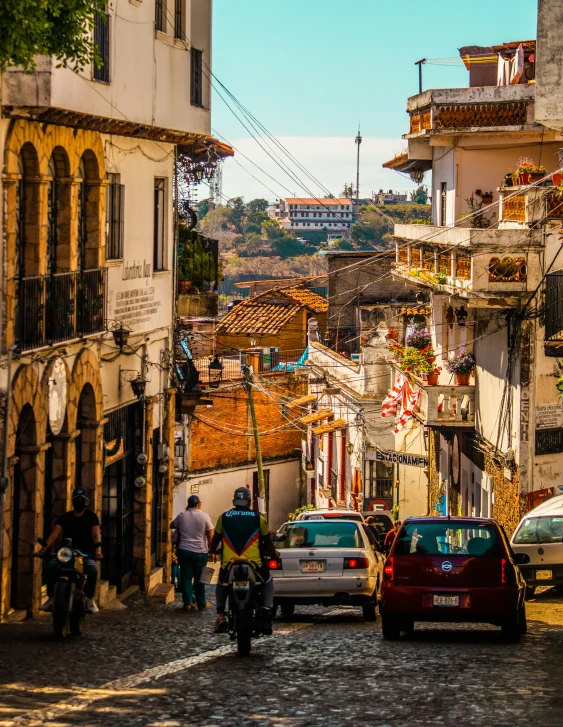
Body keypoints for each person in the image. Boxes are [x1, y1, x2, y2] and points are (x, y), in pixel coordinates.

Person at [209, 487, 278, 635]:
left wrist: (212, 551)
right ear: (249, 501)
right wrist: (275, 554)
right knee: (268, 581)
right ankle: (266, 607)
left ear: (234, 501)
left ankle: (221, 615)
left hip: (229, 564)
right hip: (254, 565)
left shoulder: (224, 517)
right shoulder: (258, 518)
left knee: (221, 583)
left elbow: (215, 540)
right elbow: (268, 543)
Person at [38, 487, 102, 613]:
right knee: (51, 566)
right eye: (76, 499)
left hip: (84, 554)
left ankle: (90, 599)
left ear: (86, 502)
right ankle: (51, 598)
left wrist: (98, 551)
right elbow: (54, 534)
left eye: (81, 499)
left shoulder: (91, 517)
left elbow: (96, 534)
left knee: (93, 570)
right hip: (66, 553)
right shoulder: (65, 517)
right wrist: (44, 548)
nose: (78, 501)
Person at [170, 495, 215, 612]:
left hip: (184, 551)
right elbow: (210, 536)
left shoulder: (182, 516)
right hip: (201, 552)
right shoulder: (205, 516)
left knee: (186, 577)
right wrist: (212, 551)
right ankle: (202, 603)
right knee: (200, 579)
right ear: (198, 504)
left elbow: (172, 525)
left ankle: (188, 603)